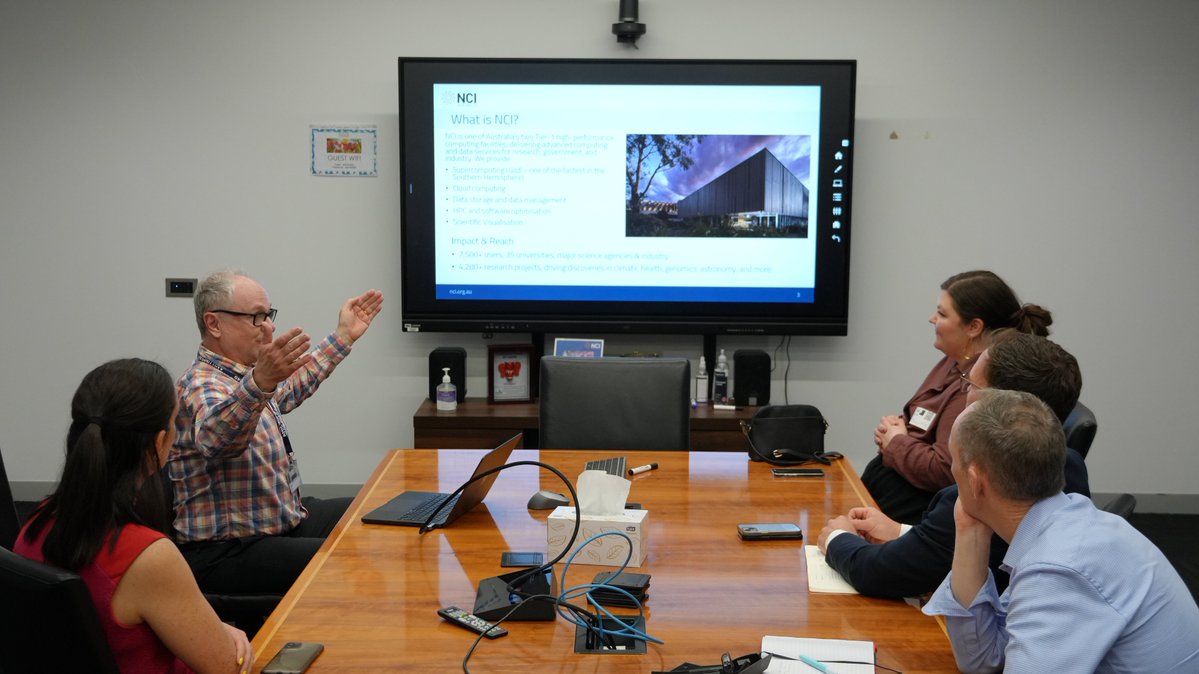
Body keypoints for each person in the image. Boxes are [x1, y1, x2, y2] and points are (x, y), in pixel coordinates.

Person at [923, 390, 1199, 672]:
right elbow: (982, 661)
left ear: (974, 481)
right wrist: (970, 531)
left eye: (954, 462)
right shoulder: (1066, 522)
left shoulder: (1057, 567)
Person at [16, 358, 253, 673]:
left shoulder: (36, 522)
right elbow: (228, 666)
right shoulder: (148, 556)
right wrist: (227, 633)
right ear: (158, 443)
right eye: (175, 422)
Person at [817, 332, 1089, 598]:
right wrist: (901, 532)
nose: (964, 394)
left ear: (1002, 406)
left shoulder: (980, 489)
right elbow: (957, 550)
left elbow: (879, 574)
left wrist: (837, 538)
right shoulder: (1071, 465)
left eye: (970, 385)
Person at [169, 270, 383, 598]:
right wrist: (260, 383)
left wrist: (343, 336)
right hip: (227, 551)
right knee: (346, 560)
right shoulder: (201, 384)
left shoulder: (243, 377)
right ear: (214, 324)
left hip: (276, 523)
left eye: (269, 315)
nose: (269, 327)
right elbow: (217, 440)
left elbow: (291, 387)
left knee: (373, 513)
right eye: (256, 317)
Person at [860, 270, 1052, 523]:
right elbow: (922, 423)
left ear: (974, 327)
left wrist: (896, 442)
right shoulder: (954, 361)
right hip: (896, 488)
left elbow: (946, 471)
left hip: (920, 510)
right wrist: (895, 432)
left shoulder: (980, 385)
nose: (932, 319)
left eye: (941, 313)